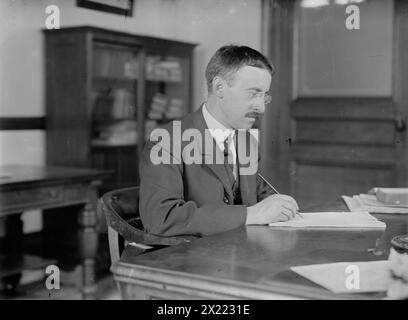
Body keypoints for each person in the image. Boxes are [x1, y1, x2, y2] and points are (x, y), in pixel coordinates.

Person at [139, 45, 299, 237]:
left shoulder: (245, 140)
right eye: (253, 93)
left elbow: (255, 194)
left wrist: (279, 205)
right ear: (219, 87)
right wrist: (251, 214)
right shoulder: (166, 141)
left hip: (237, 255)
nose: (261, 107)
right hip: (184, 260)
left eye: (264, 96)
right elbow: (160, 218)